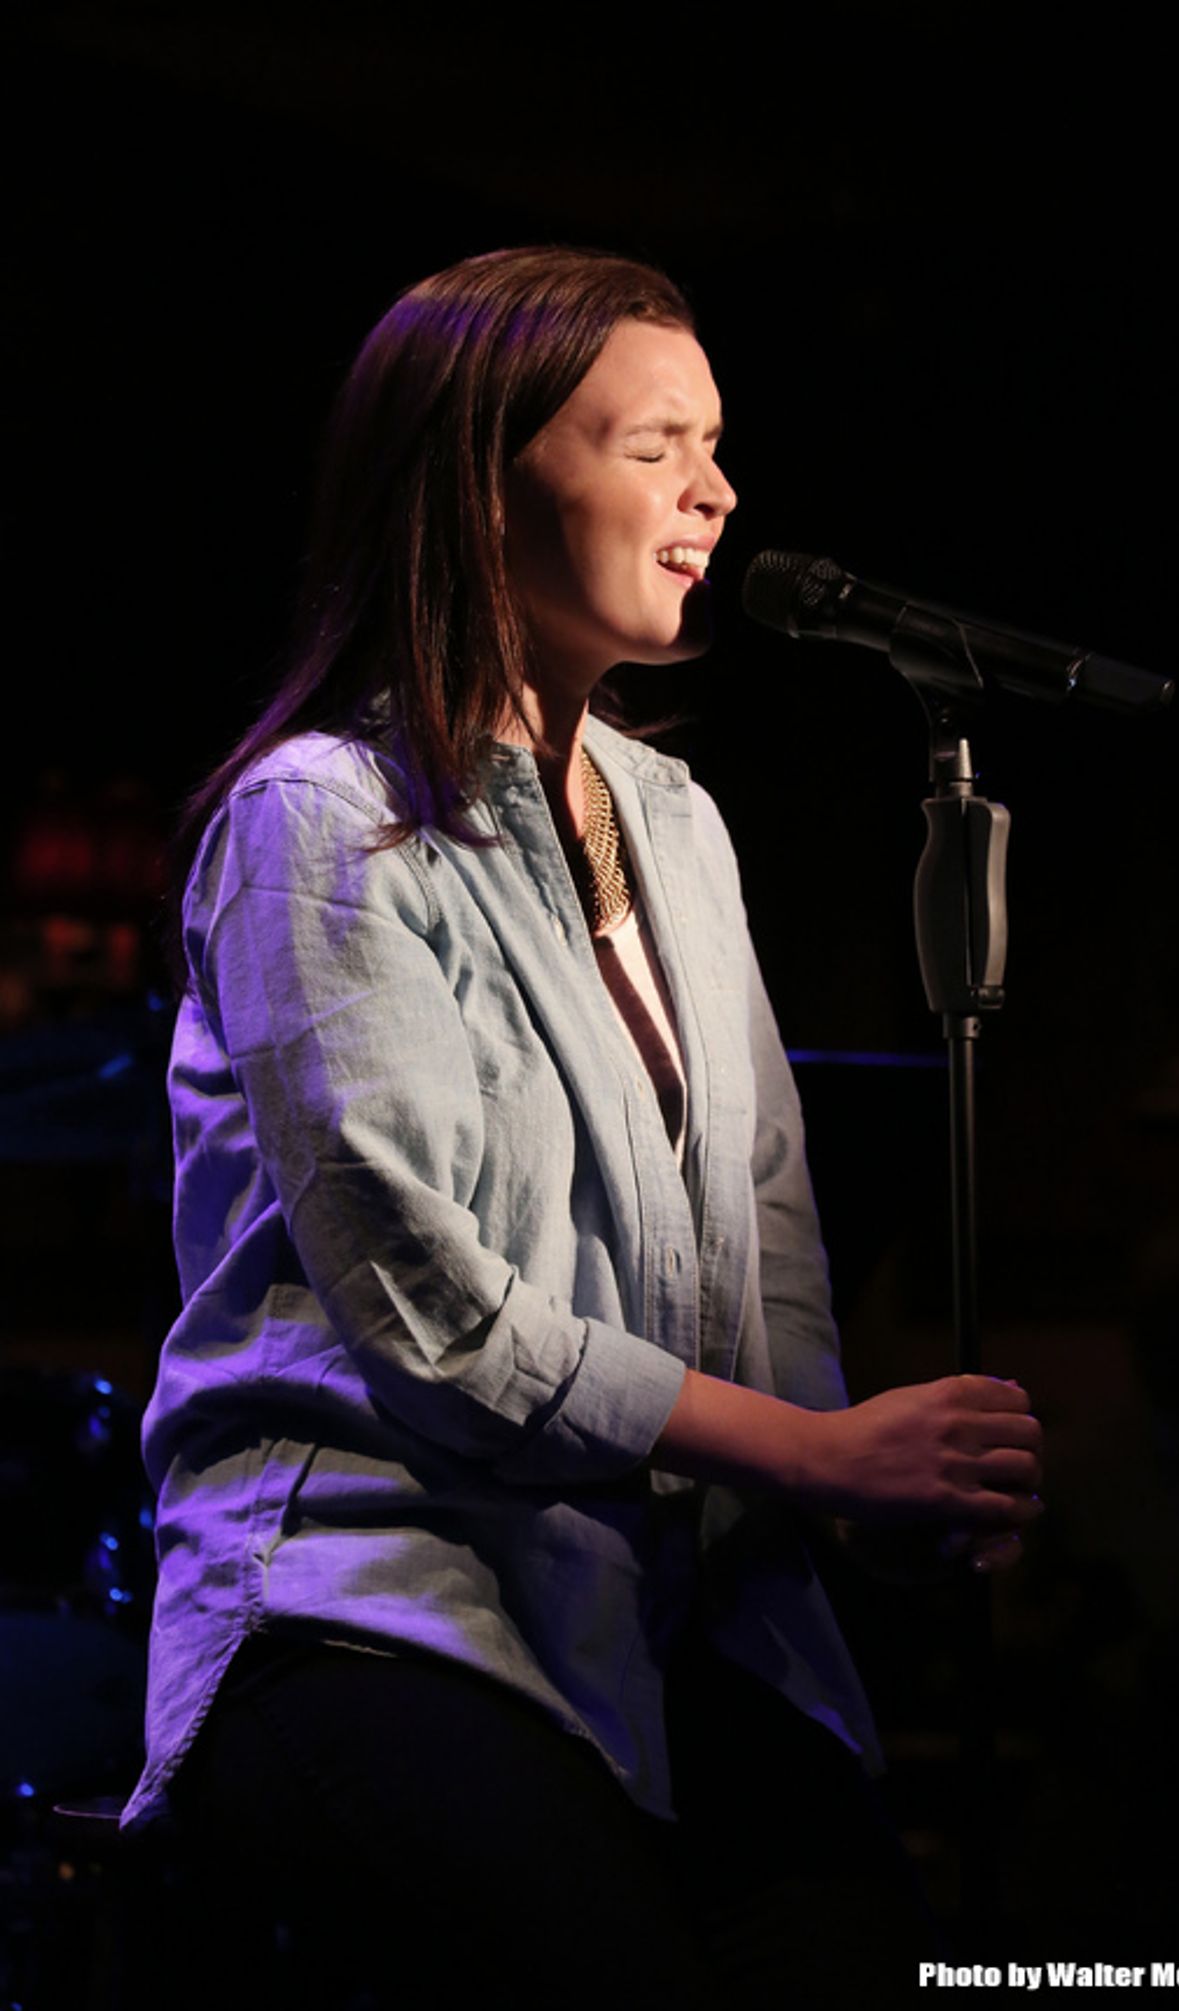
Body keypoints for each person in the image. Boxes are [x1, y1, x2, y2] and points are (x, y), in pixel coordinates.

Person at [123, 246, 1042, 2007]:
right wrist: (815, 1457)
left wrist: (863, 1491)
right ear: (485, 487)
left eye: (718, 443)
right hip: (374, 1608)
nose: (717, 491)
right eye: (656, 445)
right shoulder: (322, 823)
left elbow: (768, 1238)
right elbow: (437, 1320)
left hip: (662, 1613)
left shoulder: (675, 821)